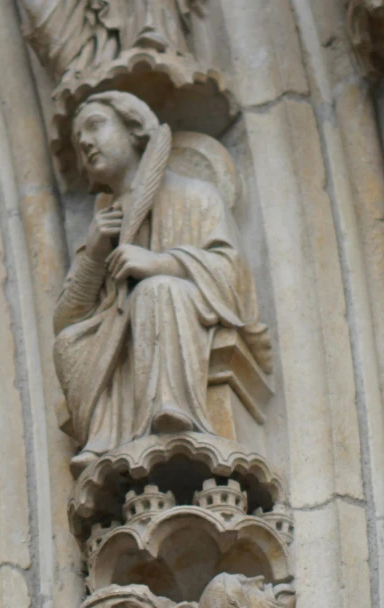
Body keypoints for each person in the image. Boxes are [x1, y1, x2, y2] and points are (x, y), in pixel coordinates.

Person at [53, 92, 270, 465]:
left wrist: (160, 264)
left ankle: (167, 411)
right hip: (119, 327)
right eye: (77, 140)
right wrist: (94, 253)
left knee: (155, 292)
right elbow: (67, 319)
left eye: (95, 126)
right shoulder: (101, 227)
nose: (85, 142)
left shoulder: (196, 196)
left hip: (182, 307)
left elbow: (231, 275)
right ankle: (108, 436)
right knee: (68, 342)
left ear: (135, 129)